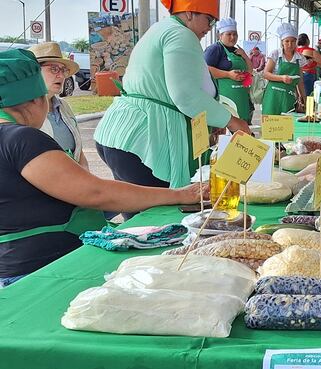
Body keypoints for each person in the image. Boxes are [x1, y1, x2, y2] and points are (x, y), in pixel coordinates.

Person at [0, 49, 206, 287]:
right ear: (36, 99)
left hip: (15, 269)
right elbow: (96, 193)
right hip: (43, 273)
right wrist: (180, 194)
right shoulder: (22, 140)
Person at [95, 0, 251, 192]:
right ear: (189, 13)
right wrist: (232, 121)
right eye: (208, 19)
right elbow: (186, 95)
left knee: (139, 221)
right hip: (145, 141)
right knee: (157, 217)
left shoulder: (162, 29)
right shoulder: (181, 34)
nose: (209, 27)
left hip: (121, 135)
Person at [28, 42, 88, 169]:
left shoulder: (63, 106)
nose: (61, 75)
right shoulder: (23, 112)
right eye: (54, 69)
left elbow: (79, 151)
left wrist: (85, 179)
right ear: (34, 72)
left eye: (63, 70)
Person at [204, 17, 254, 122]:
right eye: (229, 34)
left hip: (242, 98)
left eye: (235, 34)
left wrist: (244, 55)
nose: (233, 37)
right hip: (224, 99)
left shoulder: (238, 51)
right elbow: (205, 69)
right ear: (220, 35)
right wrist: (228, 74)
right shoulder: (215, 49)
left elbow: (250, 71)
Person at [262, 23, 308, 115]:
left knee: (286, 124)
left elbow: (300, 81)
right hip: (273, 96)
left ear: (296, 42)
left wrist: (304, 98)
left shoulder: (299, 58)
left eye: (292, 41)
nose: (290, 44)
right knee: (270, 124)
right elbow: (266, 74)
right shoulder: (275, 54)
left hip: (288, 96)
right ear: (282, 42)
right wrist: (282, 78)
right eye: (287, 41)